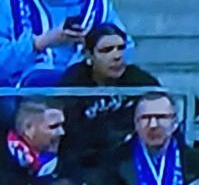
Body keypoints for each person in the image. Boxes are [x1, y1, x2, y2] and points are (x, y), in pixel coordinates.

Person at [56, 26, 161, 167]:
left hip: (131, 159)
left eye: (121, 48)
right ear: (88, 55)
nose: (117, 56)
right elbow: (70, 136)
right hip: (84, 162)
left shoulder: (140, 81)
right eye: (106, 50)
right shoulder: (73, 82)